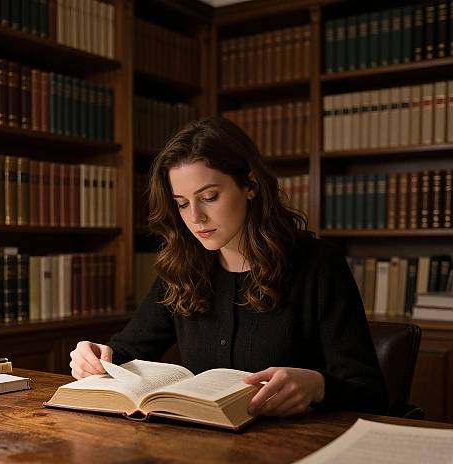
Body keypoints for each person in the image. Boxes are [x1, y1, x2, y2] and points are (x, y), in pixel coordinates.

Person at [70, 117, 388, 417]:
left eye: (209, 197)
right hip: (206, 449)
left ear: (249, 185)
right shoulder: (183, 267)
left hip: (295, 450)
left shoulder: (319, 264)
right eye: (182, 203)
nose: (195, 218)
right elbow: (128, 350)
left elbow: (370, 392)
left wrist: (318, 386)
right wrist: (97, 356)